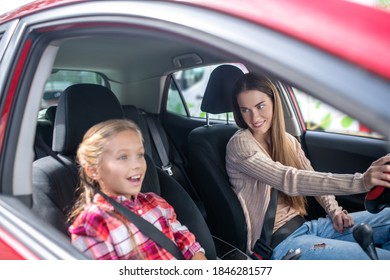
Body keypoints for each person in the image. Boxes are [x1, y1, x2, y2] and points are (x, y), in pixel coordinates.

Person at [226, 72, 390, 260]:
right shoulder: (240, 145)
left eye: (260, 106)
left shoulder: (287, 140)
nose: (254, 117)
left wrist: (335, 212)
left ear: (274, 102)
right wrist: (361, 182)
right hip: (279, 243)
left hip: (308, 227)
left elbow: (310, 175)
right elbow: (289, 180)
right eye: (245, 110)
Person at [68, 119, 206, 260]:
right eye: (123, 157)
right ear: (93, 171)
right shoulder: (93, 223)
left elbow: (186, 242)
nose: (137, 164)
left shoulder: (156, 202)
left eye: (140, 155)